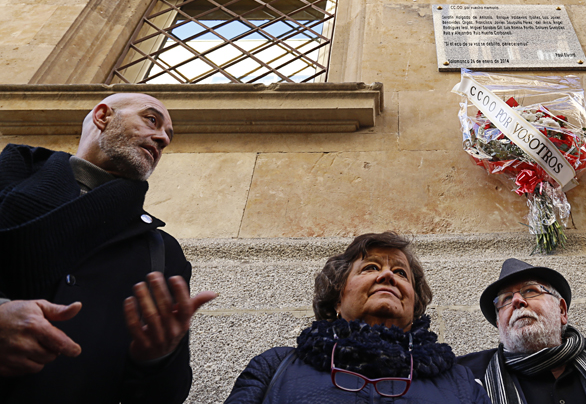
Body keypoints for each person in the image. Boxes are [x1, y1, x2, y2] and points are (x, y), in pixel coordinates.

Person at [0, 93, 216, 404]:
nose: (163, 139)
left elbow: (165, 396)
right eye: (151, 120)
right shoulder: (9, 179)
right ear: (103, 117)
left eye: (168, 135)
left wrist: (158, 357)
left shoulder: (161, 252)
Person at [225, 231, 490, 403]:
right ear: (337, 296)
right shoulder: (275, 366)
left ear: (415, 304)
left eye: (401, 273)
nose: (387, 275)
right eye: (371, 267)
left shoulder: (461, 383)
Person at [459, 258, 586, 404]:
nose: (517, 301)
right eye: (505, 299)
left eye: (530, 290)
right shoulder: (467, 387)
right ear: (499, 324)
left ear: (561, 310)